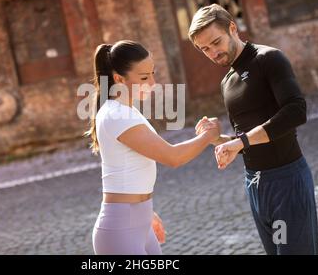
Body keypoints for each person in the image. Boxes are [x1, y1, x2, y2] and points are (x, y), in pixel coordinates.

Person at [190, 4, 318, 255]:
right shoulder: (227, 81)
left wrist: (240, 142)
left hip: (287, 181)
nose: (213, 53)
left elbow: (296, 111)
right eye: (204, 49)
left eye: (216, 42)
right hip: (256, 185)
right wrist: (219, 140)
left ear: (232, 28)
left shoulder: (268, 58)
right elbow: (245, 140)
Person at [86, 40, 220, 255]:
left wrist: (145, 212)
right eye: (144, 77)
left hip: (138, 222)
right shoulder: (116, 114)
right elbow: (172, 157)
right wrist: (207, 136)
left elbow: (130, 172)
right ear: (119, 79)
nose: (153, 83)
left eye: (153, 74)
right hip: (120, 232)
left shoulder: (125, 110)